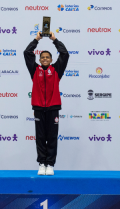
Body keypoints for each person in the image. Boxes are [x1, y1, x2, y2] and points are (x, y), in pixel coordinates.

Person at [24, 31, 69, 176]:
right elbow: (27, 52)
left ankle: (50, 164)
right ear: (39, 59)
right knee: (40, 137)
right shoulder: (34, 70)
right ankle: (42, 163)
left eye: (47, 57)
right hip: (38, 107)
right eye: (42, 57)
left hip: (53, 107)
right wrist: (37, 39)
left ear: (51, 59)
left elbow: (65, 54)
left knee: (52, 137)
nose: (44, 59)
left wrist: (54, 39)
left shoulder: (56, 70)